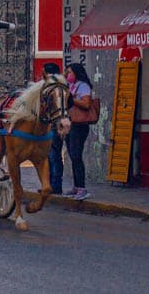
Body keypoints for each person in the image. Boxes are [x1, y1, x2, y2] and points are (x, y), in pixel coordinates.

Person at [65, 62, 95, 201]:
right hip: (70, 124)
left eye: (70, 72)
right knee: (72, 155)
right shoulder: (70, 85)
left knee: (76, 155)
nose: (68, 75)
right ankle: (76, 186)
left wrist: (72, 99)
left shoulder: (83, 86)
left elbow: (86, 103)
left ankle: (82, 188)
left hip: (79, 125)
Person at [42, 62, 65, 194]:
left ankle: (56, 184)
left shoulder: (55, 87)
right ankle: (50, 183)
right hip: (53, 123)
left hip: (54, 124)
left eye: (43, 71)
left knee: (53, 155)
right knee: (50, 155)